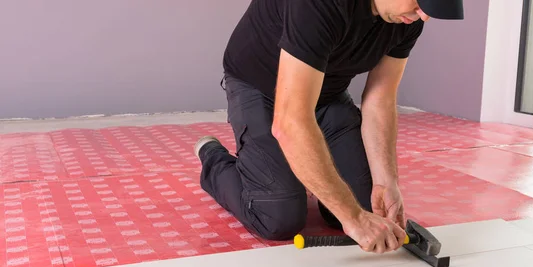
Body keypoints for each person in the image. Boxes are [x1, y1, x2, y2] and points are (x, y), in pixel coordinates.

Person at [194, 0, 464, 254]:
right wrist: (354, 219)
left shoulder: (407, 17)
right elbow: (290, 121)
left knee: (368, 204)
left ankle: (301, 169)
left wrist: (386, 181)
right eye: (420, 0)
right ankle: (212, 157)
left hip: (326, 92)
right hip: (259, 87)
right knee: (278, 217)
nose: (424, 15)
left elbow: (380, 98)